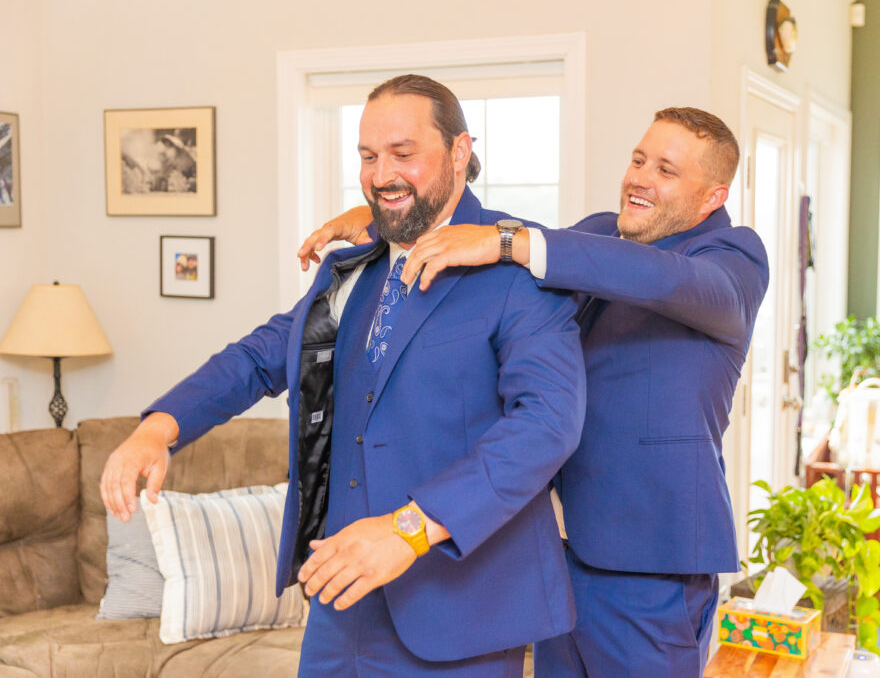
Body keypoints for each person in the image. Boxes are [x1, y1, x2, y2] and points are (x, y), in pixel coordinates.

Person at [100, 74, 586, 676]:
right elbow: (260, 355)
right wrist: (160, 427)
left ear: (460, 151)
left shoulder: (517, 265)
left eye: (403, 154)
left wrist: (407, 531)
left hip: (464, 611)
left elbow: (546, 427)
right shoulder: (351, 265)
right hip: (340, 610)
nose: (381, 174)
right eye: (367, 156)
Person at [299, 107, 770, 677]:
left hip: (650, 568)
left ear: (711, 197)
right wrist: (383, 219)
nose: (640, 177)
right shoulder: (599, 232)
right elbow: (491, 239)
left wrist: (507, 241)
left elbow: (654, 276)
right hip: (556, 554)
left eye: (666, 170)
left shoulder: (732, 257)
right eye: (638, 159)